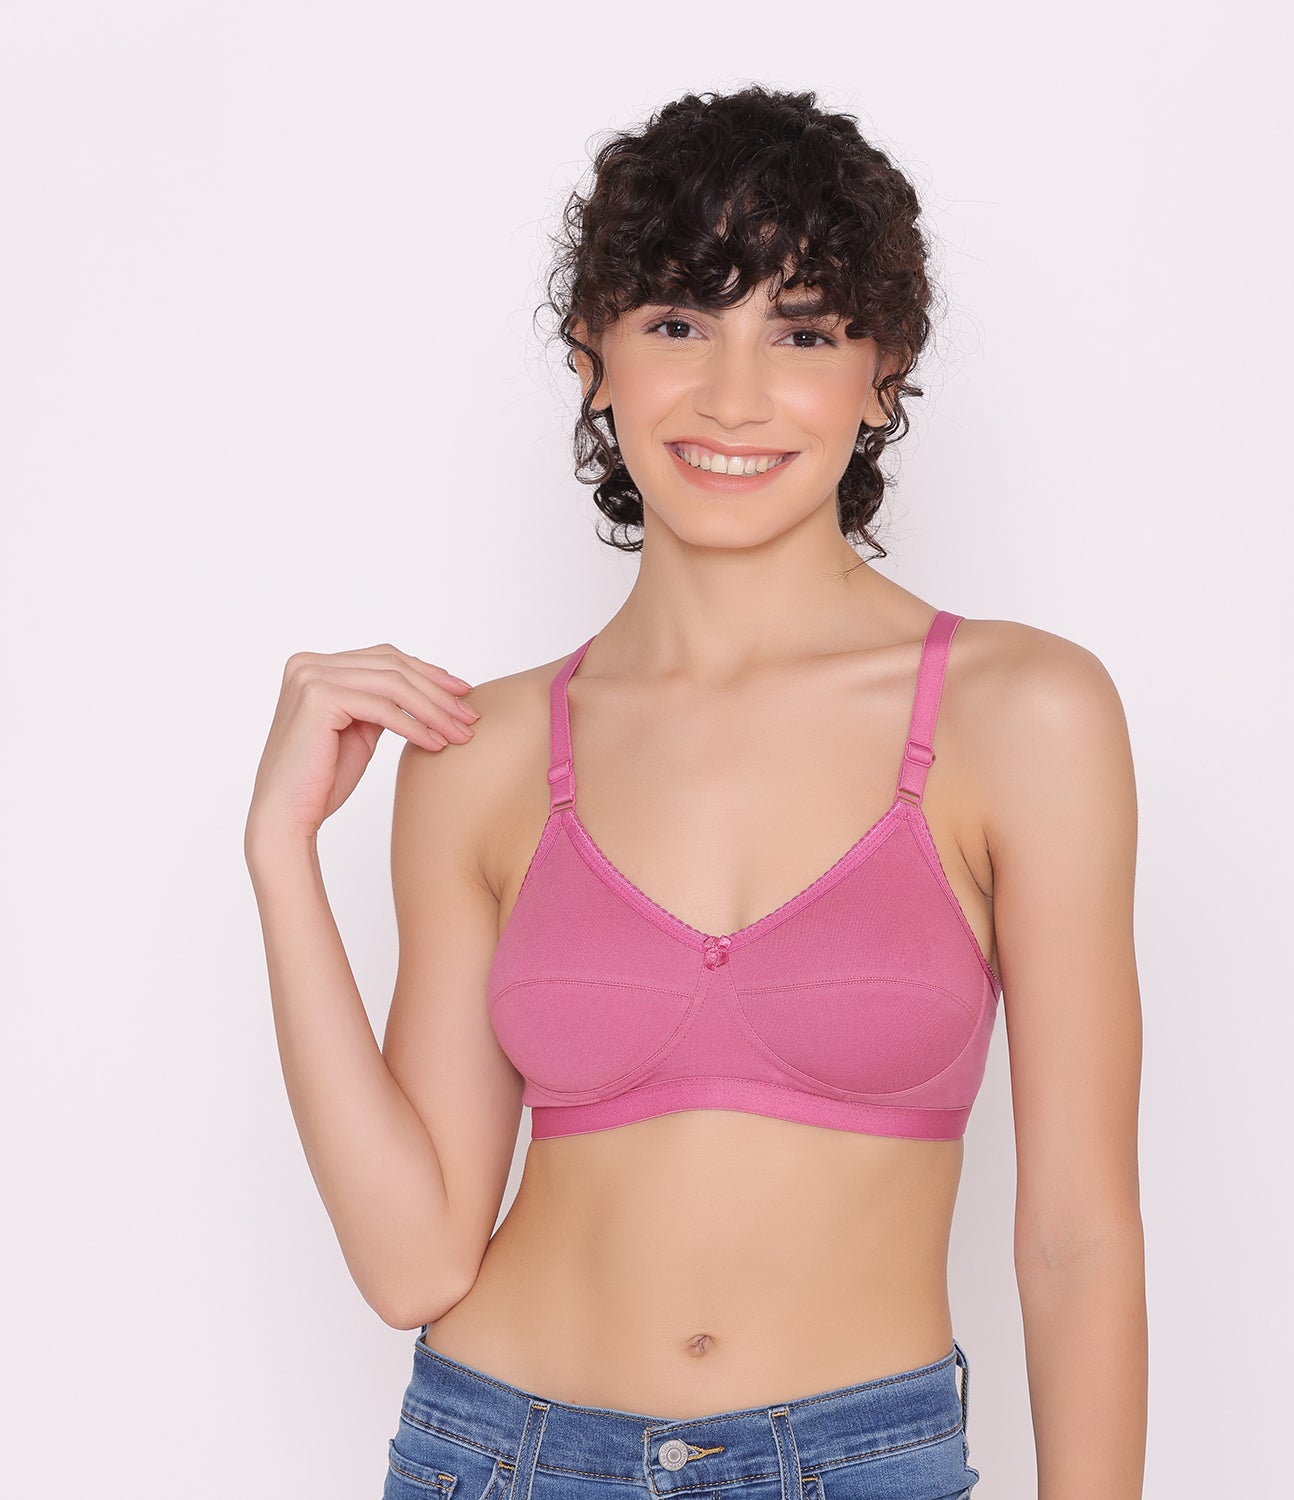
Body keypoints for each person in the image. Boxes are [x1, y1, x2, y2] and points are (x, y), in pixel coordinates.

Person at [245, 85, 1147, 1499]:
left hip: (857, 1463)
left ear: (884, 374)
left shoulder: (1022, 714)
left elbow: (1078, 1239)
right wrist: (281, 853)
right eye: (677, 323)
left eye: (802, 332)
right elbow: (412, 1261)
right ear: (593, 355)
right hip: (501, 1454)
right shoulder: (484, 751)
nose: (734, 396)